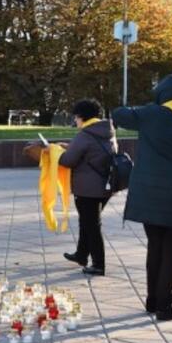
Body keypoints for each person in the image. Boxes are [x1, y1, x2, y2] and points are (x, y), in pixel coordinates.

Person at [113, 75, 172, 321]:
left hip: (148, 195)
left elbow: (118, 113)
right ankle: (165, 307)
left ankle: (152, 301)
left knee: (155, 246)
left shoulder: (150, 115)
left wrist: (149, 107)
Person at [57, 99, 117, 276]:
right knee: (87, 221)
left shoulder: (85, 135)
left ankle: (99, 264)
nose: (75, 121)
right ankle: (81, 254)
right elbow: (94, 154)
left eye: (75, 117)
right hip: (105, 186)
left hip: (88, 189)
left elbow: (68, 161)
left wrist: (53, 151)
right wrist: (70, 147)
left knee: (91, 225)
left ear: (81, 117)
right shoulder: (107, 131)